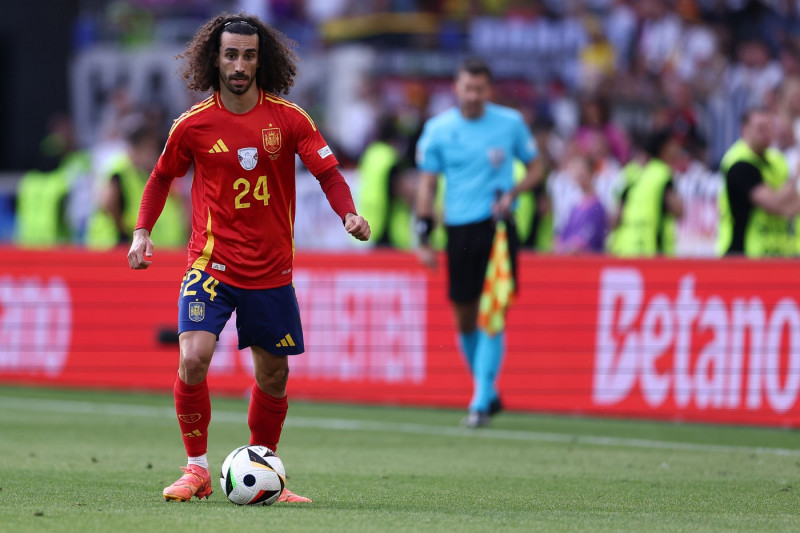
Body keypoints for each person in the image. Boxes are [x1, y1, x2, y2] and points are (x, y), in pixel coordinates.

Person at [126, 13, 370, 503]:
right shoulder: (193, 125)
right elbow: (159, 178)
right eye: (231, 54)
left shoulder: (290, 119)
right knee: (193, 357)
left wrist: (349, 214)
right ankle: (195, 469)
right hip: (211, 266)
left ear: (263, 59)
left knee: (273, 375)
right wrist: (141, 232)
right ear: (214, 58)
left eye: (249, 55)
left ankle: (266, 473)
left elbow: (328, 172)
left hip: (270, 273)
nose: (240, 64)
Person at [415, 58, 541, 428]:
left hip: (498, 227)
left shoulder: (511, 124)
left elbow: (536, 167)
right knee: (464, 317)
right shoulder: (438, 130)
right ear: (456, 88)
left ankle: (481, 402)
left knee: (494, 311)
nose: (473, 95)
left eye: (479, 89)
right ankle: (486, 389)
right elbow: (427, 185)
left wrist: (515, 190)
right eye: (467, 88)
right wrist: (423, 236)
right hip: (458, 230)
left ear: (489, 90)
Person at [717, 108, 800, 257]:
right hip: (744, 255)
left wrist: (788, 203)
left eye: (770, 127)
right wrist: (795, 178)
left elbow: (793, 205)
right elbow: (775, 205)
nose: (766, 133)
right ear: (744, 129)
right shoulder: (738, 163)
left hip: (779, 254)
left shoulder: (777, 160)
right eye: (760, 128)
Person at [608, 127, 684, 257]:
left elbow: (614, 219)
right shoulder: (662, 173)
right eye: (673, 145)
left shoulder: (631, 172)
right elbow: (679, 211)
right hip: (654, 253)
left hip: (624, 251)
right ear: (664, 148)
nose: (677, 150)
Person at [555, 155, 606, 254]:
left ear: (591, 174)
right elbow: (563, 234)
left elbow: (584, 241)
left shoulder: (596, 207)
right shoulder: (576, 206)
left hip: (587, 264)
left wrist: (565, 248)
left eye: (583, 173)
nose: (579, 176)